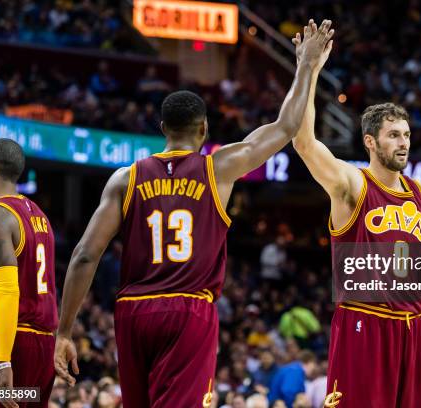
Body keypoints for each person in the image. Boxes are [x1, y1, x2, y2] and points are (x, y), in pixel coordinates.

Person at [54, 19, 334, 408]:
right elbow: (286, 126)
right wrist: (306, 65)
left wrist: (64, 331)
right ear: (204, 129)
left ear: (163, 127)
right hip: (187, 310)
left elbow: (85, 253)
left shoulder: (125, 179)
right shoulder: (217, 168)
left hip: (133, 311)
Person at [291, 24, 421, 407]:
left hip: (416, 327)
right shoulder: (353, 184)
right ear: (371, 141)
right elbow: (303, 143)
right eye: (393, 135)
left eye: (405, 134)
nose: (403, 142)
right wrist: (309, 70)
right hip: (364, 322)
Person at [0, 139, 58, 407]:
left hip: (9, 343)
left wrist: (2, 361)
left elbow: (8, 291)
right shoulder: (39, 216)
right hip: (43, 348)